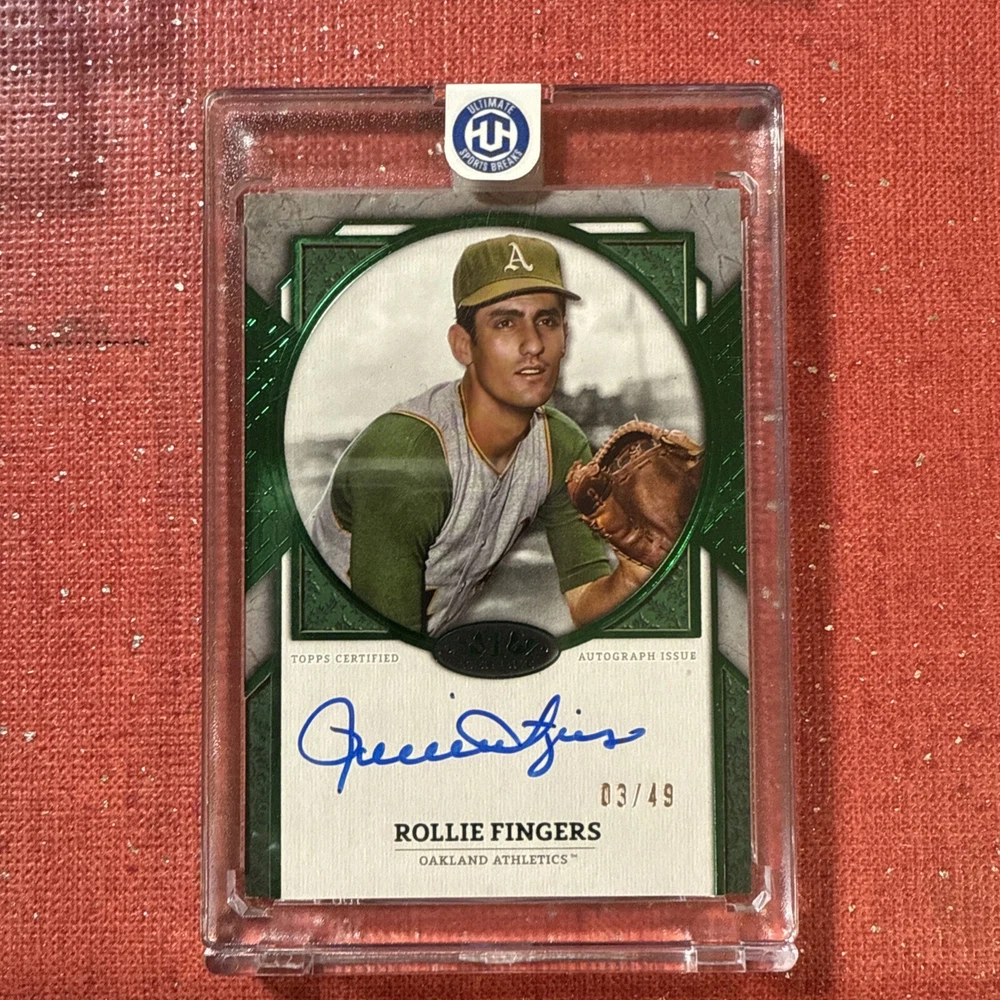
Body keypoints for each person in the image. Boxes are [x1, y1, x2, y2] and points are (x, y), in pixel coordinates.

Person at [307, 233, 651, 636]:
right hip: (319, 633)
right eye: (505, 322)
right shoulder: (411, 454)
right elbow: (384, 650)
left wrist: (634, 574)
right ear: (463, 345)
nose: (533, 344)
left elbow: (587, 600)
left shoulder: (560, 446)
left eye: (547, 321)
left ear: (565, 339)